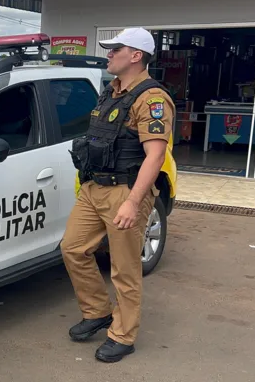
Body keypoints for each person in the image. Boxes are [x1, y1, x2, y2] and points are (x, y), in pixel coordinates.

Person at [62, 27, 175, 363]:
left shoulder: (152, 99)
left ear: (136, 55)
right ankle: (97, 311)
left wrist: (133, 201)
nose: (109, 55)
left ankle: (123, 336)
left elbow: (155, 155)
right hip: (94, 188)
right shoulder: (110, 92)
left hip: (125, 190)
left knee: (124, 269)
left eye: (115, 50)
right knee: (72, 248)